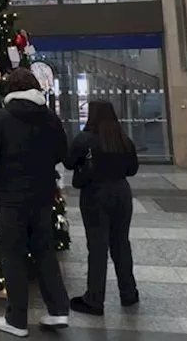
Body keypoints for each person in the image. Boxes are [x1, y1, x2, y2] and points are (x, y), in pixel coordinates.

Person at [0, 67, 71, 338]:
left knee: (13, 256)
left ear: (10, 89)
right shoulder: (50, 119)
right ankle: (58, 309)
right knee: (45, 251)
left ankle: (17, 319)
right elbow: (62, 152)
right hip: (42, 197)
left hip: (10, 200)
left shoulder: (0, 120)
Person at [64, 100, 140, 315]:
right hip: (122, 193)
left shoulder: (86, 139)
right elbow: (132, 169)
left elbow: (69, 162)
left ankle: (95, 298)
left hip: (95, 195)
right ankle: (129, 293)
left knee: (97, 247)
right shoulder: (122, 139)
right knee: (121, 244)